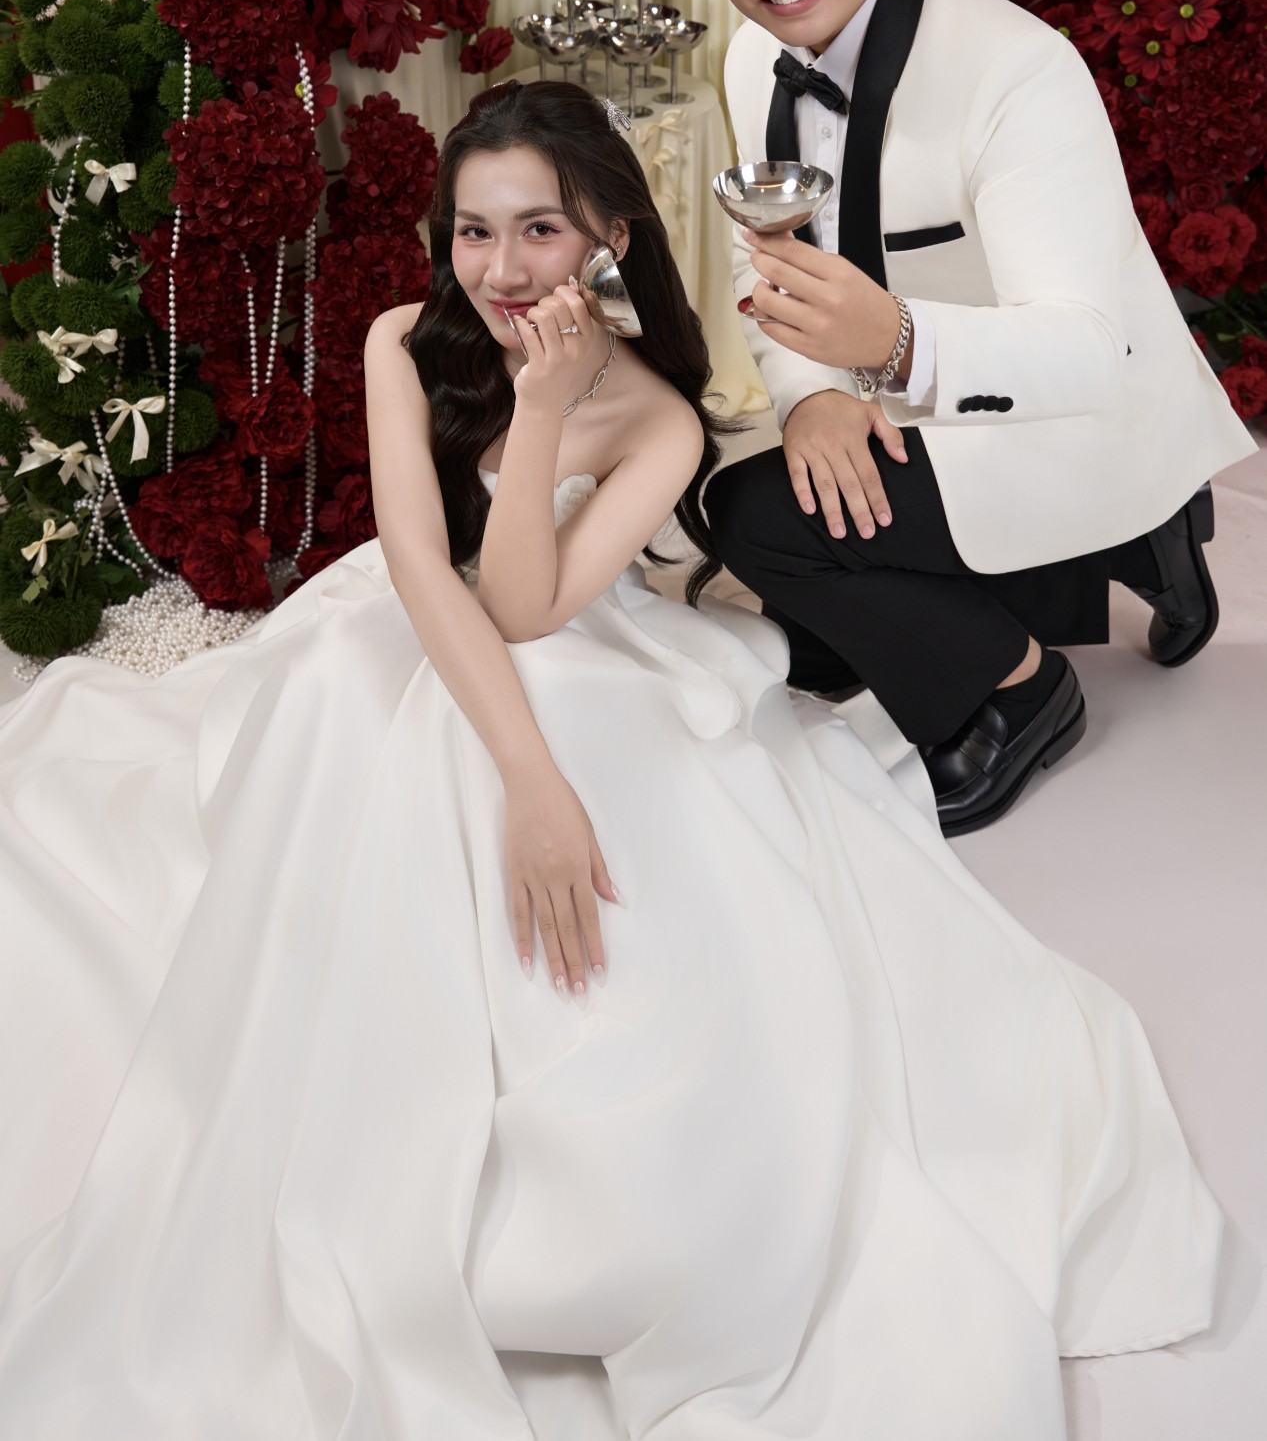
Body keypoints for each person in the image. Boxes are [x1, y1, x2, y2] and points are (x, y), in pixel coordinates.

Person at [0, 81, 1221, 1438]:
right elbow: (426, 571)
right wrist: (531, 788)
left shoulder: (656, 419)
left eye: (539, 230)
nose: (500, 269)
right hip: (403, 620)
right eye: (473, 231)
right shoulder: (401, 337)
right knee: (356, 701)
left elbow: (529, 605)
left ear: (607, 236)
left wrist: (544, 413)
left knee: (590, 744)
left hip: (574, 631)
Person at [677, 0, 1256, 835]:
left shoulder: (1019, 73)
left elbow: (1085, 351)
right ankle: (1117, 556)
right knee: (726, 498)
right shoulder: (758, 58)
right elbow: (775, 262)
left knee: (763, 525)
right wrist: (811, 395)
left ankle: (1022, 691)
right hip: (909, 402)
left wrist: (893, 341)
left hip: (1079, 412)